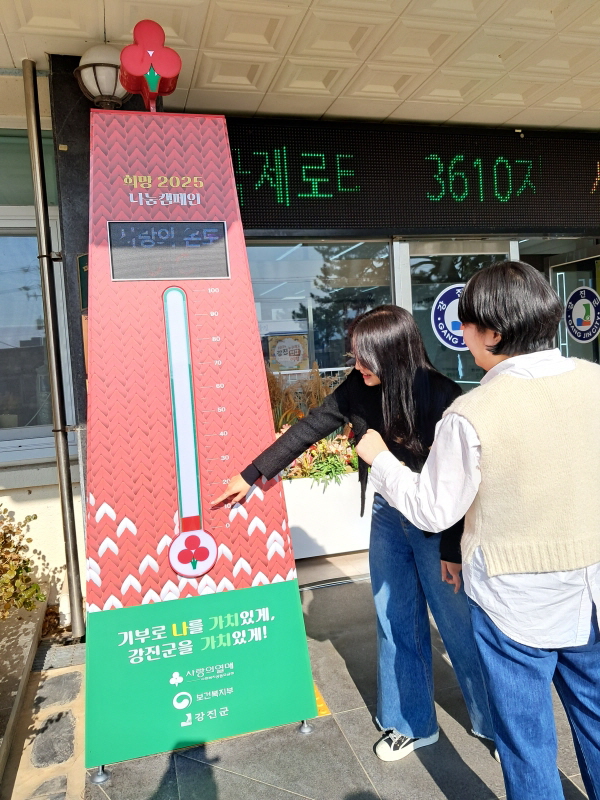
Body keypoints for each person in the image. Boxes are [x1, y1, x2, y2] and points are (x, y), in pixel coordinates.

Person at [356, 262, 600, 799]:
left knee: (525, 740)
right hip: (591, 591)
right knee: (595, 720)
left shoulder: (472, 412)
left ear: (493, 332)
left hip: (515, 601)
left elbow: (431, 509)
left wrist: (381, 460)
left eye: (465, 325)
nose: (462, 336)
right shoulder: (594, 381)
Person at [212, 305, 494, 761]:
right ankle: (410, 723)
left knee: (458, 626)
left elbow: (456, 487)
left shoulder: (443, 395)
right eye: (355, 356)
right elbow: (310, 427)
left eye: (366, 357)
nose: (357, 365)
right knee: (393, 619)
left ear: (393, 354)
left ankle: (496, 724)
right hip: (388, 516)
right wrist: (251, 474)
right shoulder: (357, 388)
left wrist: (451, 549)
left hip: (437, 526)